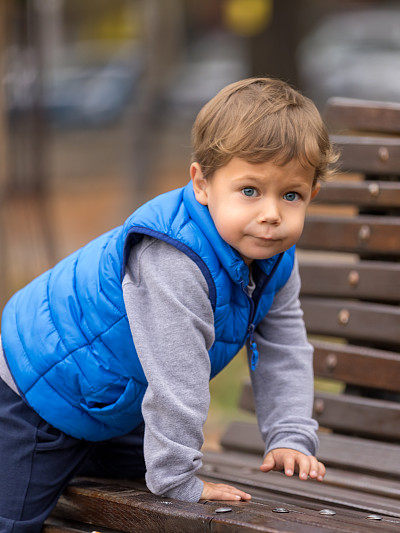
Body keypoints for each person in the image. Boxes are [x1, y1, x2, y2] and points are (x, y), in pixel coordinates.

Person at [0, 77, 336, 532]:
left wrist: (290, 435)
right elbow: (178, 371)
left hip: (112, 404)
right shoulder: (176, 258)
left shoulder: (274, 257)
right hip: (42, 388)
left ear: (311, 194)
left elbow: (284, 346)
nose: (272, 214)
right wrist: (178, 480)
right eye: (250, 191)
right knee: (12, 520)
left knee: (133, 497)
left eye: (290, 195)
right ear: (201, 183)